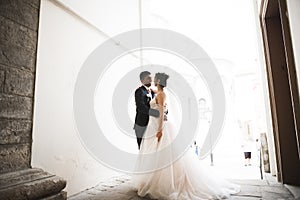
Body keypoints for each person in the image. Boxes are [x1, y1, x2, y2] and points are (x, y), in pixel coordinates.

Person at [131, 72, 241, 199]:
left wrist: (160, 127)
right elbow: (144, 108)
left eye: (153, 78)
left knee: (163, 155)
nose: (151, 80)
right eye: (149, 78)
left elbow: (162, 110)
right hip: (147, 125)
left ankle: (163, 182)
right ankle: (149, 180)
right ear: (142, 80)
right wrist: (161, 113)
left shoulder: (159, 94)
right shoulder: (145, 92)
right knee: (150, 154)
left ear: (158, 82)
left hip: (159, 126)